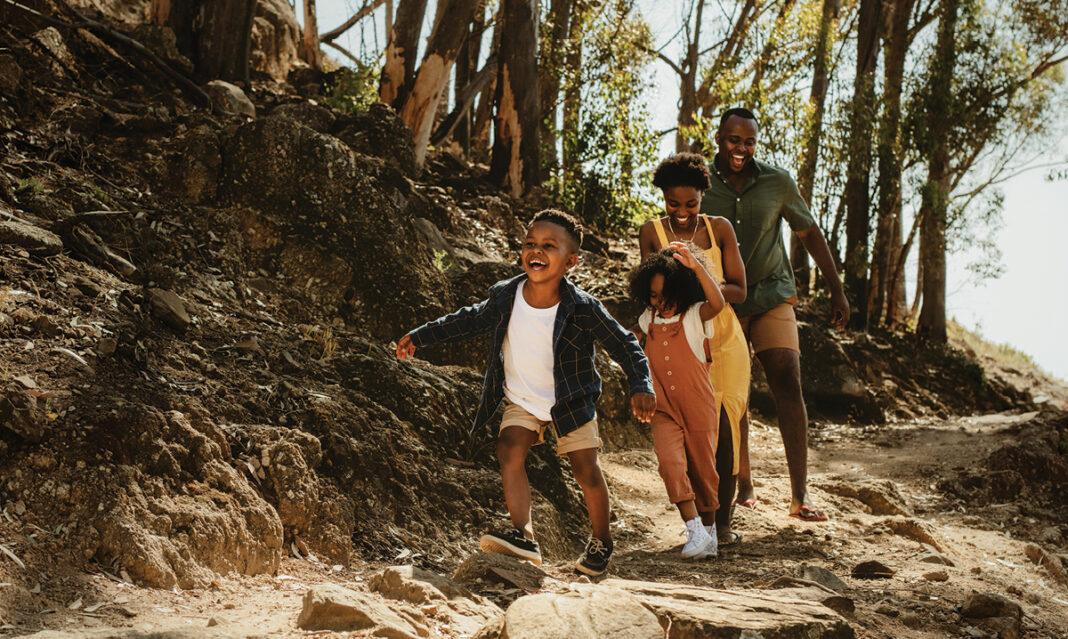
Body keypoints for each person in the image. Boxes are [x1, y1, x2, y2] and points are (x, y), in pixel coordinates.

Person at [396, 209, 656, 576]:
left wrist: (641, 383)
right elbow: (467, 320)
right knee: (509, 449)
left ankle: (601, 540)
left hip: (571, 400)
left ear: (570, 262)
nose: (536, 250)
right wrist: (421, 336)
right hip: (523, 398)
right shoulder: (507, 295)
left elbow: (625, 344)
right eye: (530, 243)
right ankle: (525, 536)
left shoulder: (583, 308)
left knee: (585, 469)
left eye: (549, 246)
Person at [699, 107, 850, 522]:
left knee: (787, 374)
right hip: (724, 299)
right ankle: (743, 484)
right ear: (718, 138)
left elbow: (809, 232)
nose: (741, 149)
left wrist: (836, 289)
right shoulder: (702, 183)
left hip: (771, 292)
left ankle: (800, 494)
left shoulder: (778, 181)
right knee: (734, 393)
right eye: (734, 140)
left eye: (749, 142)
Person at [637, 153, 749, 548]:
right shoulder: (651, 232)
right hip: (680, 338)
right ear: (663, 197)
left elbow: (739, 290)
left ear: (703, 197)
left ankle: (723, 524)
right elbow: (650, 291)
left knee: (725, 426)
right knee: (689, 434)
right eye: (673, 204)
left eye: (691, 204)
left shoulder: (720, 229)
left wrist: (698, 282)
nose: (682, 213)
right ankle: (699, 524)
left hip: (723, 335)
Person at [630, 244, 726, 558]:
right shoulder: (648, 319)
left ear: (683, 290)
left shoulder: (695, 315)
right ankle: (694, 529)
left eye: (668, 295)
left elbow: (718, 302)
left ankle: (709, 533)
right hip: (663, 409)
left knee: (704, 471)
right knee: (669, 463)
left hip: (698, 407)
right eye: (654, 296)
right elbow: (631, 347)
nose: (661, 303)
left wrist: (697, 267)